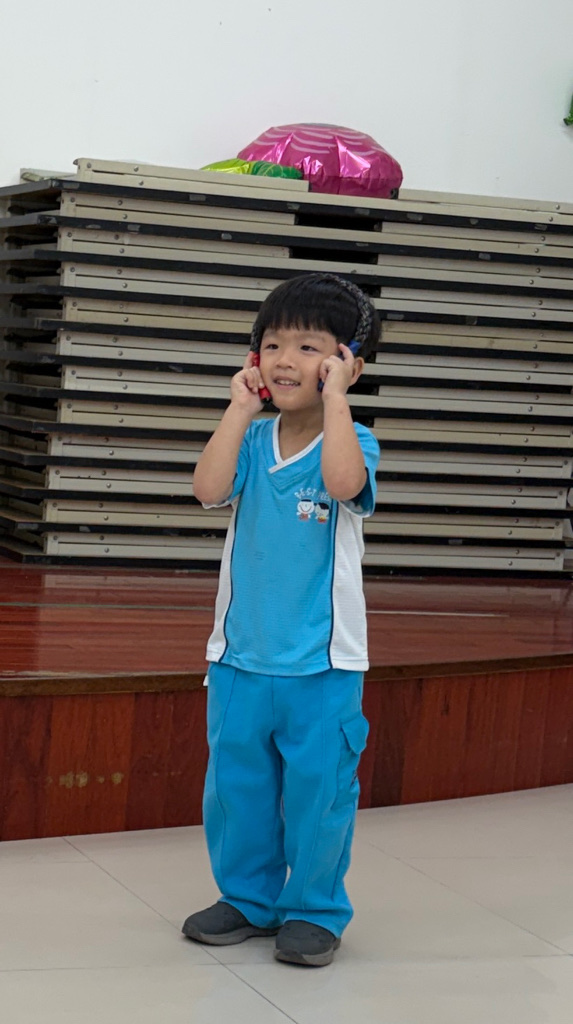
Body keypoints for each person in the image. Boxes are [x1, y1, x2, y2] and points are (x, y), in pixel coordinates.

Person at [182, 272, 381, 967]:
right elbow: (207, 489)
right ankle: (247, 898)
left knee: (318, 793)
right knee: (236, 790)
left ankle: (314, 909)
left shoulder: (353, 440)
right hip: (239, 658)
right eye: (272, 345)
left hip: (322, 666)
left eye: (308, 347)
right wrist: (238, 409)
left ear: (346, 362)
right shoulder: (250, 439)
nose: (285, 360)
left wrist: (337, 401)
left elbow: (342, 484)